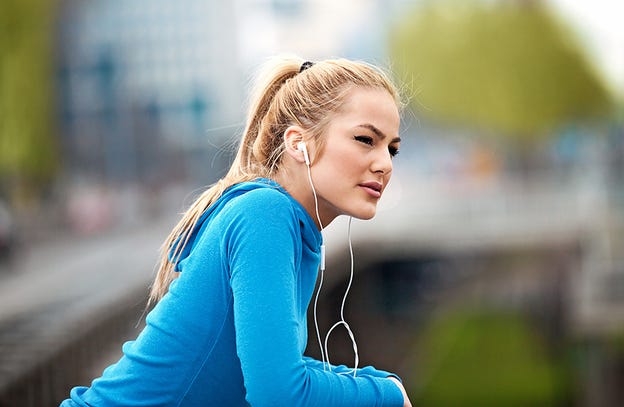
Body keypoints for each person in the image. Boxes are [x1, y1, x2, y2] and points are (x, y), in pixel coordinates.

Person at [60, 56, 412, 407]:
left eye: (392, 149)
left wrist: (380, 382)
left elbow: (270, 367)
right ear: (297, 143)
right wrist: (388, 395)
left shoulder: (291, 227)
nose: (384, 164)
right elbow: (279, 395)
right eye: (366, 139)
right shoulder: (265, 215)